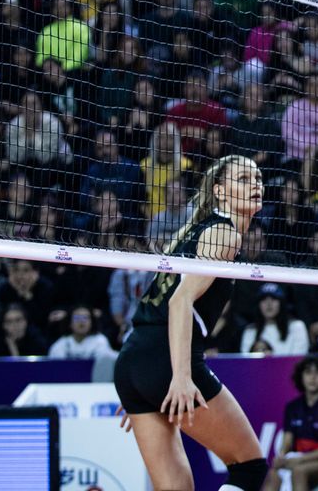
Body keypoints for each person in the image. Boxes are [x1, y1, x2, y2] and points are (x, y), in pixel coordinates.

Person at [113, 155, 269, 491]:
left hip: (134, 361)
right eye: (243, 179)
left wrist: (144, 377)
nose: (255, 184)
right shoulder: (223, 234)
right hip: (165, 362)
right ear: (220, 191)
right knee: (250, 467)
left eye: (257, 178)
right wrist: (180, 378)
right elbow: (179, 301)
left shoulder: (199, 232)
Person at [266, 356, 318, 491]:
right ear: (301, 376)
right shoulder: (292, 407)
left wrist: (302, 459)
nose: (312, 378)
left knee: (299, 472)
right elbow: (287, 442)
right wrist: (281, 457)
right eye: (308, 372)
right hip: (296, 458)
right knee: (273, 474)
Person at [240, 283, 311, 356]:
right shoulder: (250, 330)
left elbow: (299, 360)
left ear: (281, 303)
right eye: (264, 299)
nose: (269, 304)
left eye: (273, 299)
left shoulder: (297, 326)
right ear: (258, 305)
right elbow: (246, 362)